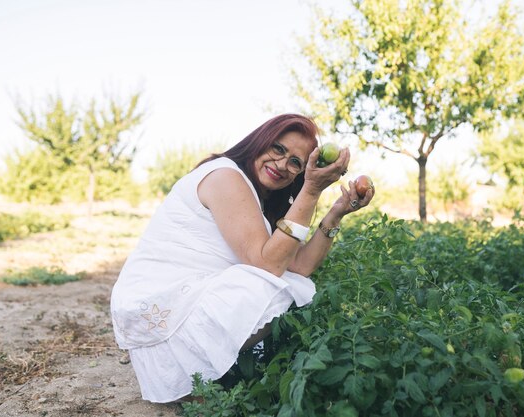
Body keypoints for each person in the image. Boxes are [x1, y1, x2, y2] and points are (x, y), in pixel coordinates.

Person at [110, 113, 375, 403]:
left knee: (288, 281)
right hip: (163, 306)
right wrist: (311, 190)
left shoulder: (257, 197)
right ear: (260, 140)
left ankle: (213, 376)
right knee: (271, 285)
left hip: (183, 302)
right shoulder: (225, 176)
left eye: (295, 163)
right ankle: (200, 380)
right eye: (278, 149)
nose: (282, 164)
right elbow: (269, 266)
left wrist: (336, 212)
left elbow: (299, 266)